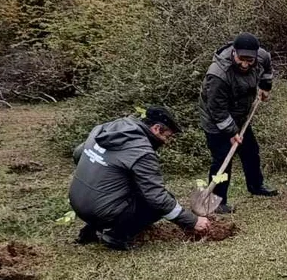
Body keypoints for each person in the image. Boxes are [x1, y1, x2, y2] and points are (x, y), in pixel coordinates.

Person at [69, 106, 209, 250]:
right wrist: (191, 221)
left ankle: (93, 227)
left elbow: (78, 154)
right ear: (157, 128)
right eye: (167, 136)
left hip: (76, 200)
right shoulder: (141, 151)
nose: (166, 142)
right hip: (99, 209)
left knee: (128, 186)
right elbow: (157, 197)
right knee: (156, 204)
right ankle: (116, 235)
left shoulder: (107, 128)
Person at [199, 32, 278, 214]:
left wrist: (265, 88)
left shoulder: (262, 56)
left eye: (249, 61)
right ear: (234, 53)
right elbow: (217, 110)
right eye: (241, 59)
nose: (245, 64)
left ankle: (256, 186)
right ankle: (217, 202)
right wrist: (231, 132)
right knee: (222, 160)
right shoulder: (218, 74)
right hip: (215, 120)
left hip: (241, 114)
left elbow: (266, 69)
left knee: (251, 151)